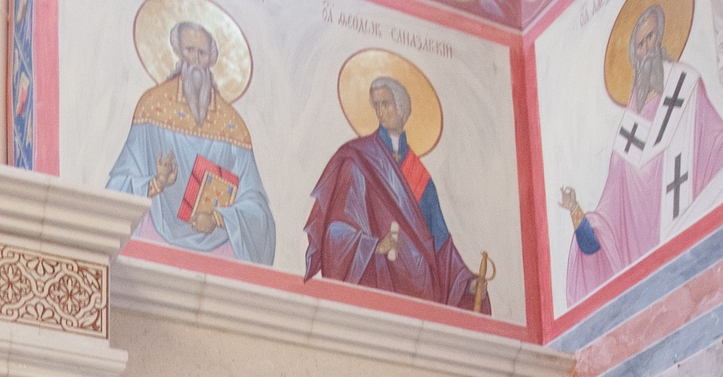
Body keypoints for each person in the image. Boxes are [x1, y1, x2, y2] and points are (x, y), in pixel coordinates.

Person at [560, 1, 723, 304]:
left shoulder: (686, 86)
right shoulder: (626, 132)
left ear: (662, 36)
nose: (647, 49)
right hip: (649, 281)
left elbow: (714, 143)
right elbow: (611, 209)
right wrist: (578, 214)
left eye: (651, 38)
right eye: (640, 44)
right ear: (633, 54)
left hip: (689, 240)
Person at [305, 75, 492, 311]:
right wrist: (372, 246)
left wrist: (466, 283)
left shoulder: (421, 177)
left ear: (402, 107)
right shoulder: (358, 159)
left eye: (386, 104)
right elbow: (336, 230)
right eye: (376, 105)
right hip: (376, 281)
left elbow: (441, 242)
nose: (380, 112)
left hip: (420, 291)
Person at [108, 19, 276, 263]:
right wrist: (157, 183)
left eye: (202, 53)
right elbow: (118, 186)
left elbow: (257, 208)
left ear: (211, 59)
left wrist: (218, 218)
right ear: (178, 51)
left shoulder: (233, 126)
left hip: (217, 254)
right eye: (189, 50)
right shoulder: (151, 108)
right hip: (155, 242)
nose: (195, 60)